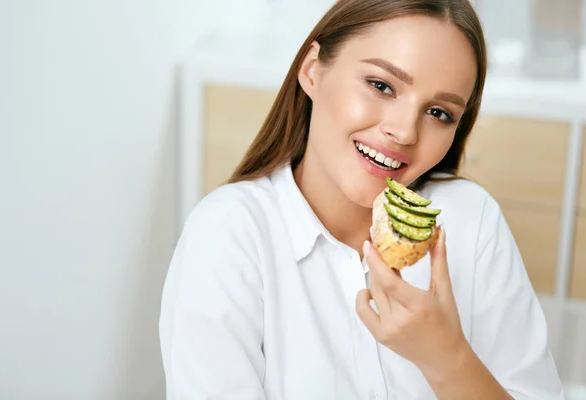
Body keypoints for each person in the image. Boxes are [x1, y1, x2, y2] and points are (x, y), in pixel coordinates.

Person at [159, 0, 565, 398]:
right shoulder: (229, 235)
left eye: (439, 113)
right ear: (312, 70)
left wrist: (447, 358)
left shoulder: (471, 221)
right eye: (381, 85)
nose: (405, 132)